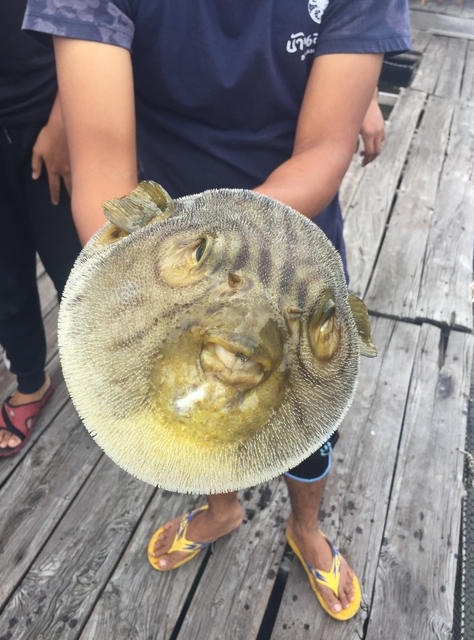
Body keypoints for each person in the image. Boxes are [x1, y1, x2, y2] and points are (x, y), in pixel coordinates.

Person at [23, 0, 410, 620]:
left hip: (291, 242)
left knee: (309, 426)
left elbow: (323, 150)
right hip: (170, 259)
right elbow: (104, 168)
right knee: (202, 412)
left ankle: (306, 528)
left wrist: (218, 250)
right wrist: (172, 275)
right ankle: (221, 506)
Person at [0, 0, 81, 457]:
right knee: (5, 277)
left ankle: (111, 385)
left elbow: (96, 19)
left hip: (50, 115)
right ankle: (31, 380)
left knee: (79, 269)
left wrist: (65, 118)